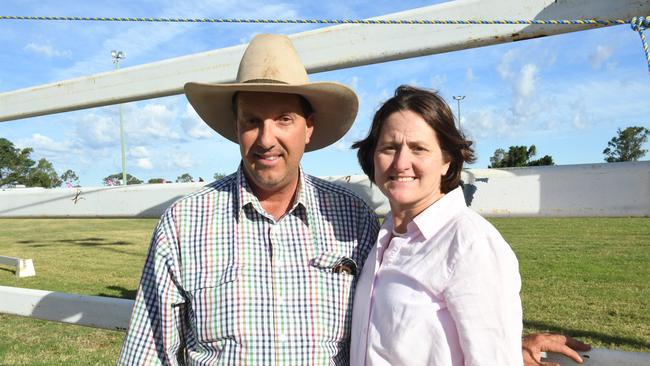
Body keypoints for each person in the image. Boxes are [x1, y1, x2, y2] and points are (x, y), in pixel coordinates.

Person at [118, 34, 589, 365]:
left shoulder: (351, 218)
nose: (266, 138)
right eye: (251, 121)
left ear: (308, 129)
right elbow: (147, 352)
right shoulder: (185, 224)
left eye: (283, 118)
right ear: (235, 129)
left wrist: (503, 345)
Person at [349, 85, 585, 366]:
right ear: (372, 157)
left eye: (419, 149)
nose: (401, 163)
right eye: (389, 147)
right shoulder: (381, 238)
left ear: (446, 161)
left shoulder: (470, 243)